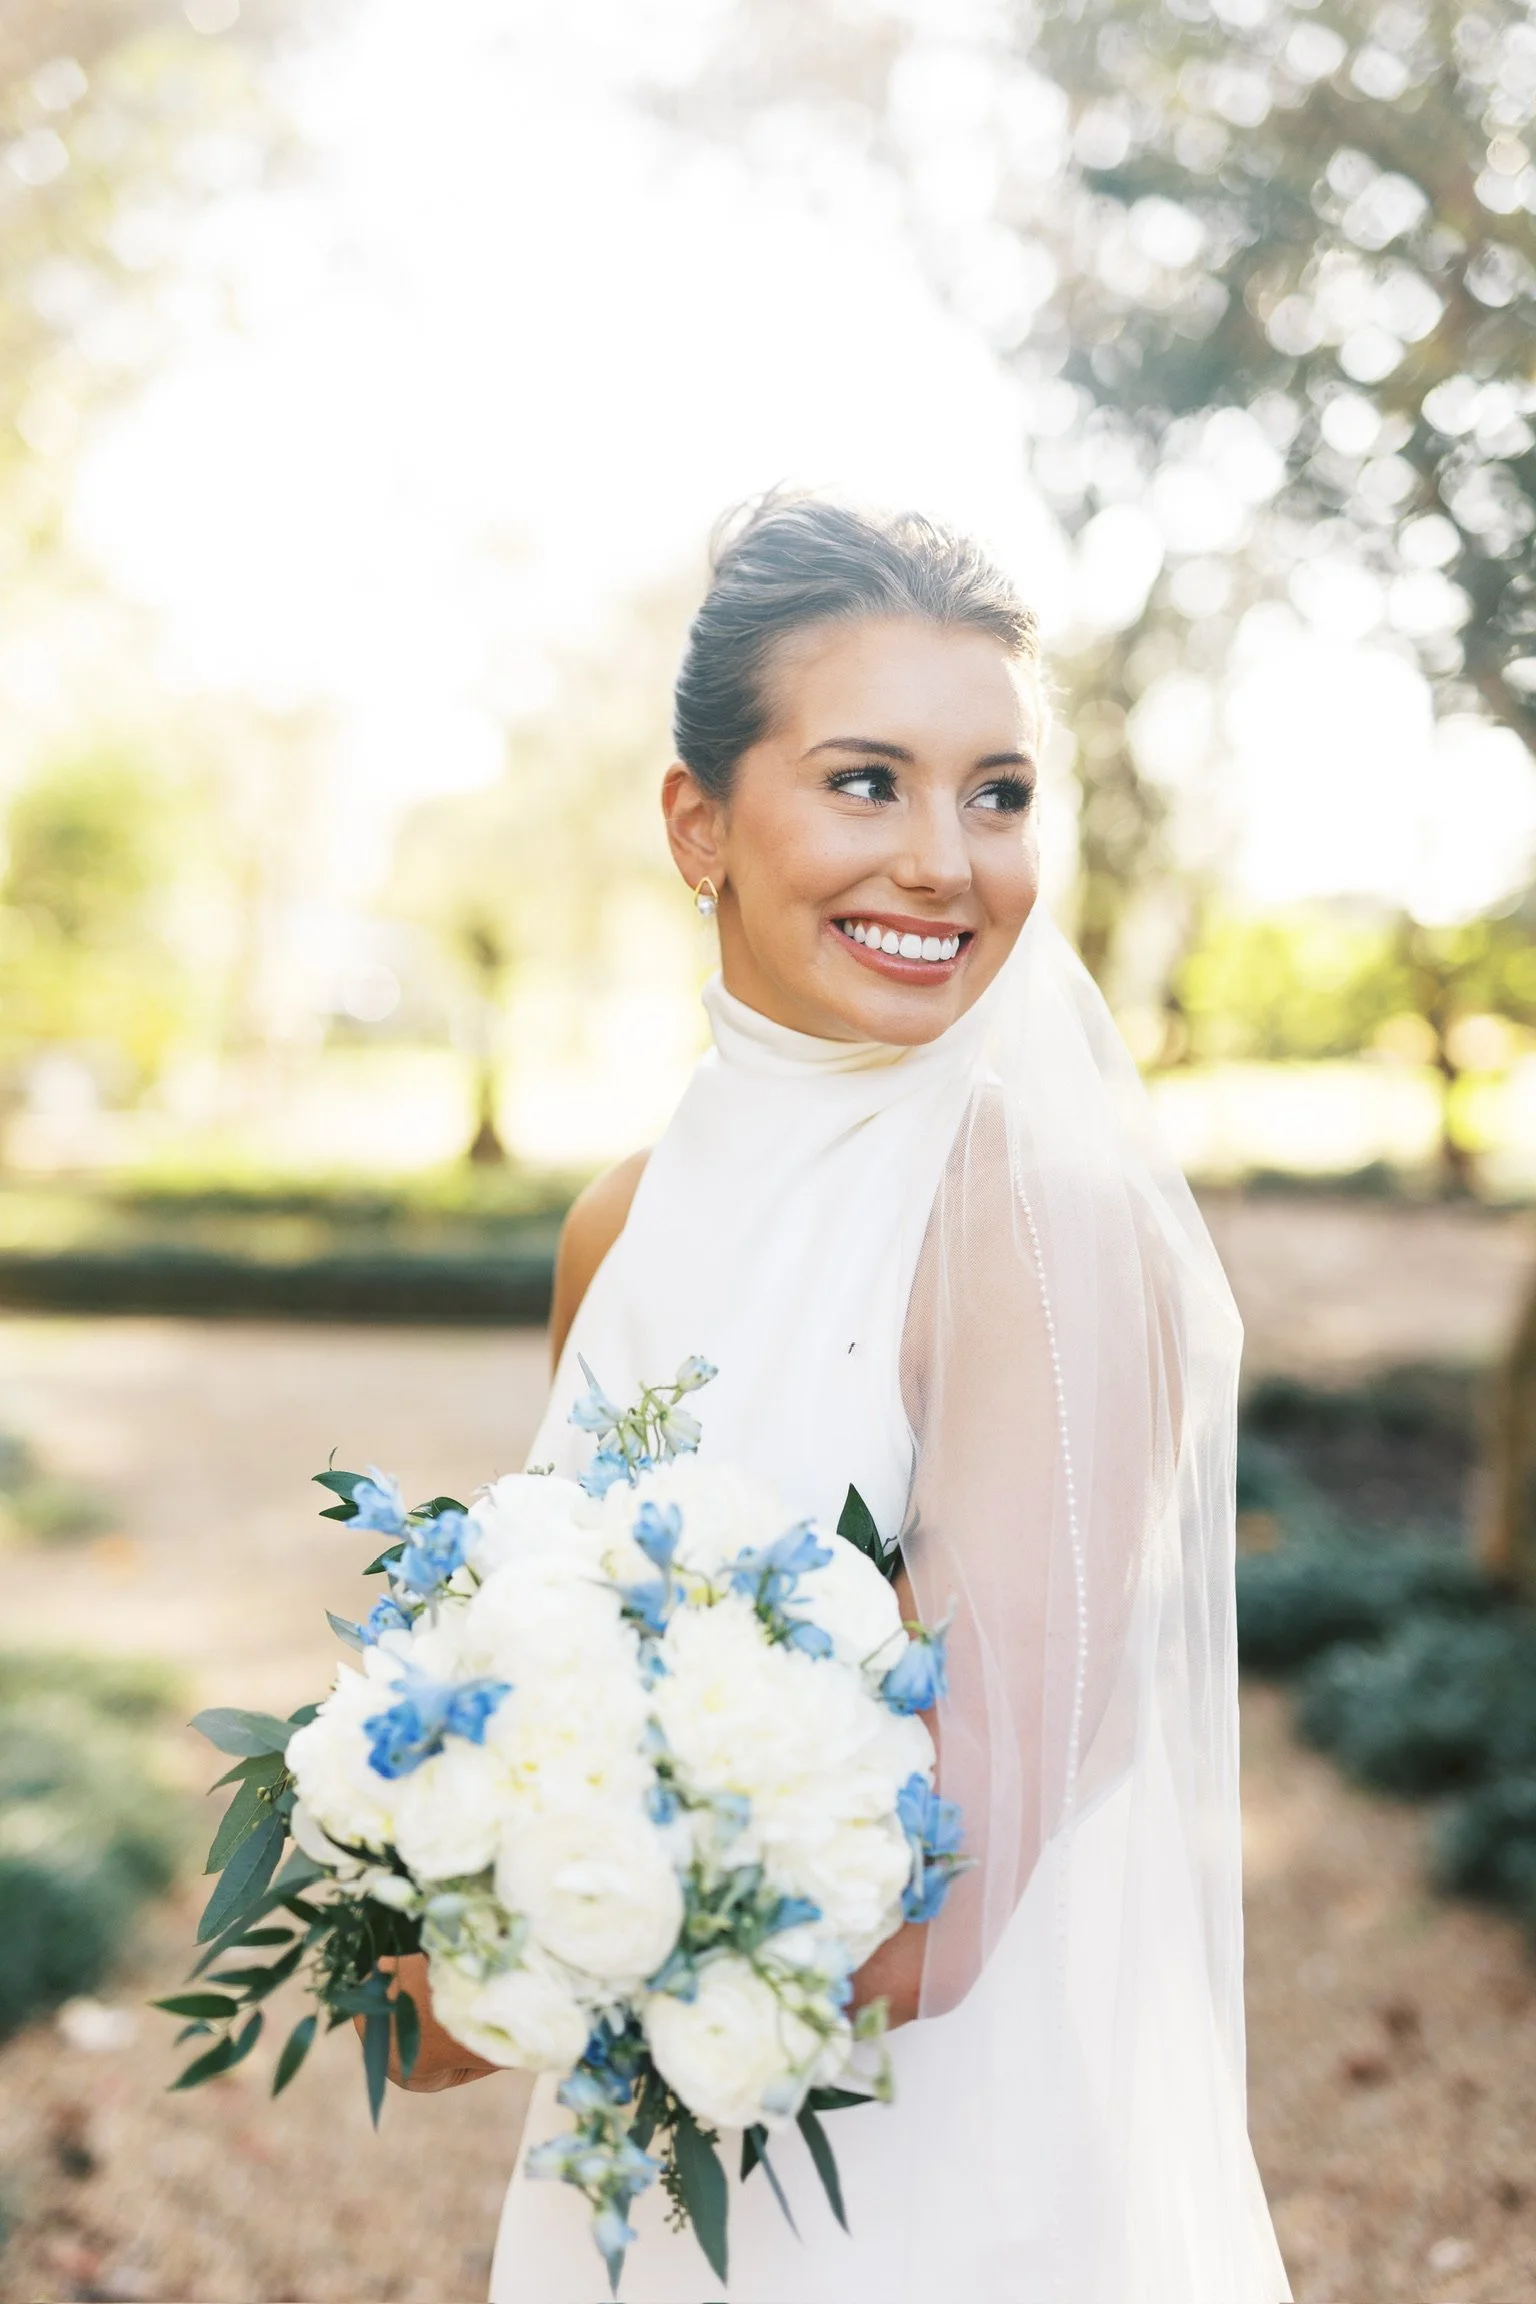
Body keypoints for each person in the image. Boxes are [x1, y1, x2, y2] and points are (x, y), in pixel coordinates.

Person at [401, 495, 1291, 2303]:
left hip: (930, 2196)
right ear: (697, 822)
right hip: (634, 2183)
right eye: (867, 781)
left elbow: (948, 1902)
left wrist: (491, 1965)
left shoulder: (1036, 1222)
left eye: (1000, 792)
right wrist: (413, 1875)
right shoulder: (618, 1223)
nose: (947, 862)